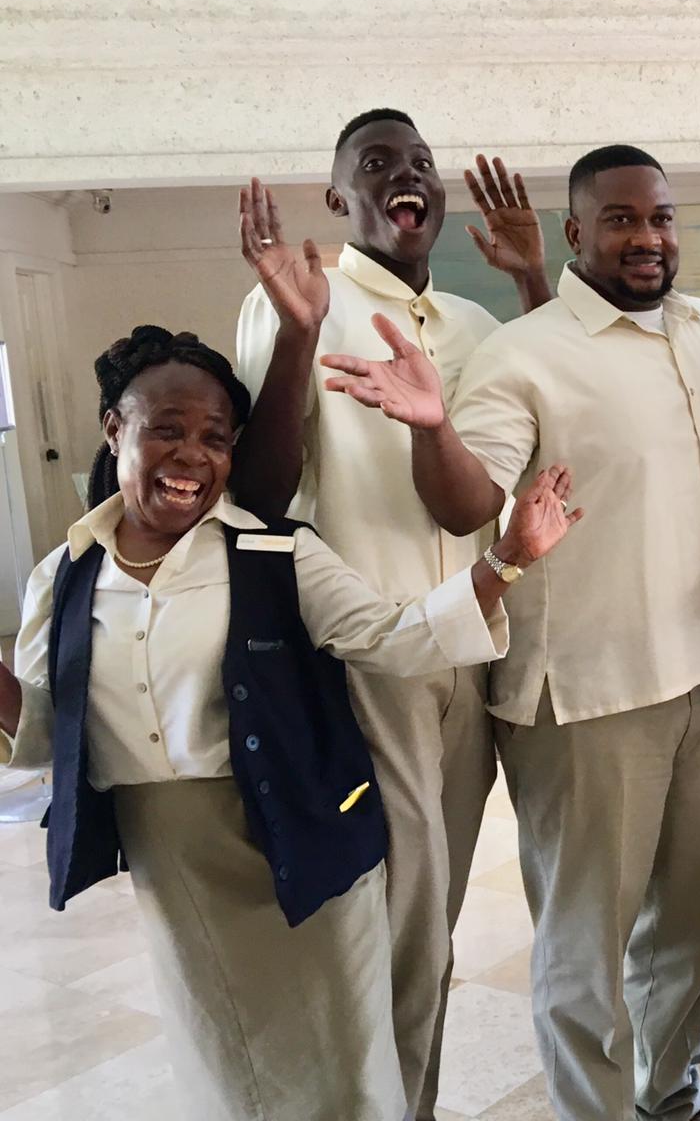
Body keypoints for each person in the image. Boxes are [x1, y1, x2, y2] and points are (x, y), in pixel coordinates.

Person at [0, 326, 578, 1121]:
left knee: (344, 1070)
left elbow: (396, 637)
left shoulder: (276, 555)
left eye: (215, 438)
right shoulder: (64, 576)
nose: (191, 455)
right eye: (166, 429)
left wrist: (508, 557)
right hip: (177, 865)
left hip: (303, 843)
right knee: (226, 1065)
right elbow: (44, 735)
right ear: (114, 429)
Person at [317, 143, 700, 1121]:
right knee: (586, 946)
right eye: (621, 219)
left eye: (659, 217)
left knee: (695, 924)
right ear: (576, 233)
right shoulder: (522, 352)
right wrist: (431, 427)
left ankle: (671, 1092)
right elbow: (465, 503)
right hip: (586, 695)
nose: (647, 237)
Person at [231, 112, 552, 1118]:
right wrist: (297, 333)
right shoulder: (297, 301)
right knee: (402, 924)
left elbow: (515, 463)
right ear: (340, 197)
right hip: (371, 659)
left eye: (419, 163)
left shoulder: (475, 326)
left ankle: (405, 1097)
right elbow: (260, 492)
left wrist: (532, 285)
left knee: (433, 917)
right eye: (377, 165)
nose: (405, 176)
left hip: (477, 644)